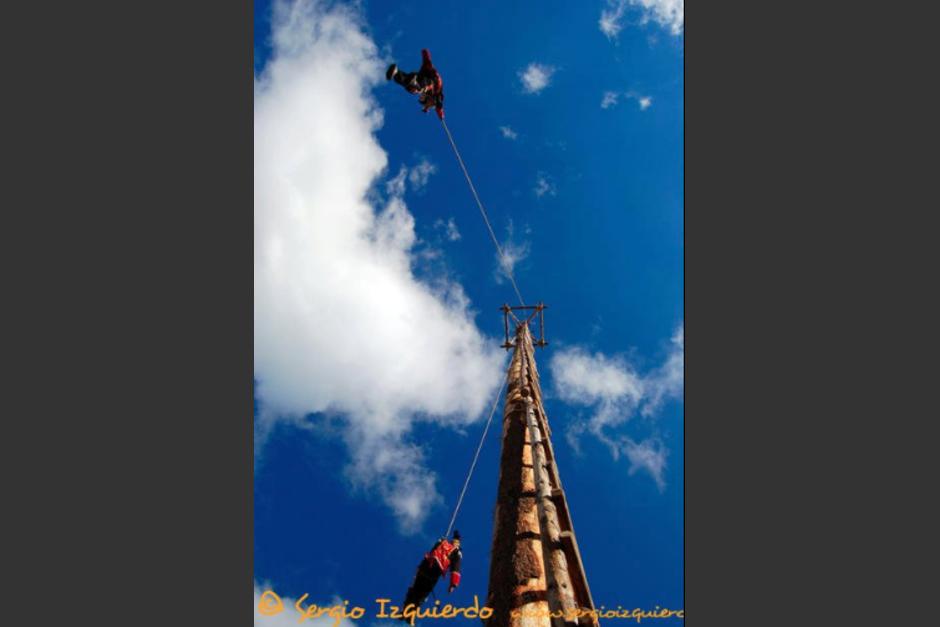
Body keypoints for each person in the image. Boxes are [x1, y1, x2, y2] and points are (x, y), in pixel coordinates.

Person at [401, 530, 462, 615]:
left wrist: (453, 584)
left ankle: (408, 611)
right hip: (432, 570)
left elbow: (432, 552)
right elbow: (455, 568)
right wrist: (453, 584)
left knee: (416, 590)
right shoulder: (454, 550)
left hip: (427, 568)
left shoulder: (443, 542)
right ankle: (408, 611)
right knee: (419, 592)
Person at [386, 49, 445, 120]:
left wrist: (425, 108)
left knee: (410, 87)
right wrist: (441, 115)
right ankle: (415, 83)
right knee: (422, 88)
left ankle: (396, 73)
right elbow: (439, 106)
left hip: (418, 77)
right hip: (430, 79)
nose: (422, 97)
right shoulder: (437, 95)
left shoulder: (426, 97)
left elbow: (425, 102)